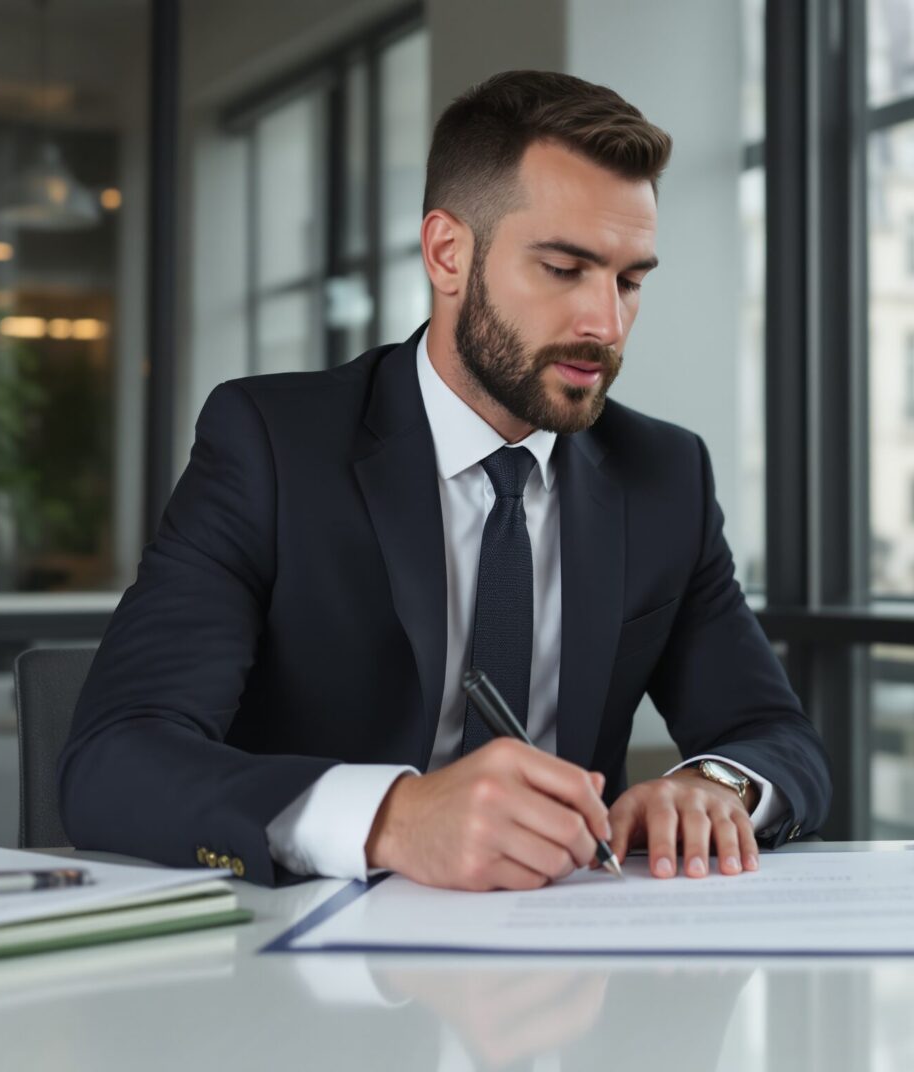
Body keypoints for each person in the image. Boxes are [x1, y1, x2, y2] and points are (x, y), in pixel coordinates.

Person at [59, 70, 829, 890]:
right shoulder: (272, 447)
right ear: (447, 253)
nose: (605, 323)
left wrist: (712, 788)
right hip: (308, 966)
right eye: (564, 268)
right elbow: (116, 757)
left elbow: (775, 737)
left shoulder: (664, 476)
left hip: (574, 967)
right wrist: (391, 819)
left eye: (629, 280)